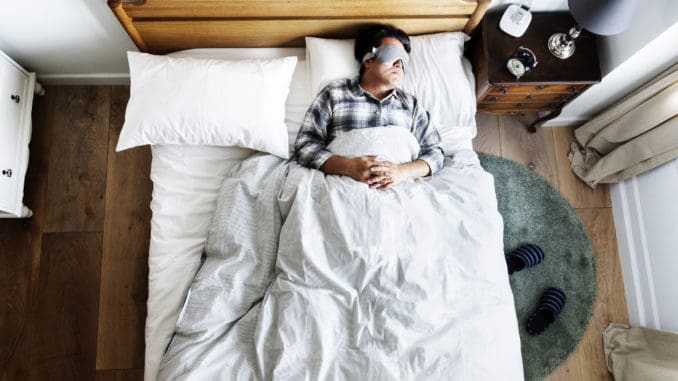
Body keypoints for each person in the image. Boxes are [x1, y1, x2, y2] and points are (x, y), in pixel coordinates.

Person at [294, 24, 444, 190]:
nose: (399, 64)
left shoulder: (411, 105)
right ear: (368, 60)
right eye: (392, 55)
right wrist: (348, 166)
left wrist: (401, 171)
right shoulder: (335, 93)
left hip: (402, 189)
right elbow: (305, 145)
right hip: (343, 187)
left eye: (404, 59)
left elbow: (435, 154)